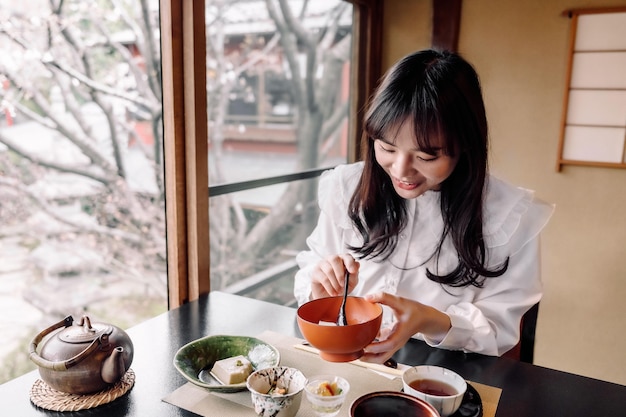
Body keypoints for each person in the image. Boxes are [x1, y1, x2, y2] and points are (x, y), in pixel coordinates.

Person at [293, 49, 554, 363]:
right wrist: (320, 283)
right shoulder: (347, 187)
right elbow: (315, 264)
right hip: (353, 364)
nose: (401, 170)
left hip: (443, 374)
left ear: (464, 146)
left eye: (427, 156)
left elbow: (501, 329)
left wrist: (431, 319)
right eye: (387, 147)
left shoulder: (508, 216)